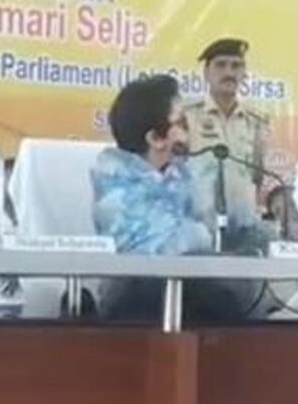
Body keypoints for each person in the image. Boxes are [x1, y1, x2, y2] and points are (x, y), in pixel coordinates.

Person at [91, 74, 257, 321]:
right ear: (155, 139)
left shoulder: (180, 172)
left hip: (189, 287)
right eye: (181, 122)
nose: (190, 130)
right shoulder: (116, 188)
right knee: (223, 293)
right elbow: (164, 250)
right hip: (135, 299)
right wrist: (203, 231)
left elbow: (213, 226)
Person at [184, 38, 270, 237]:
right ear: (206, 73)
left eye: (236, 66)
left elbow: (257, 177)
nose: (229, 73)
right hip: (199, 230)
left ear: (244, 74)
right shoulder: (187, 115)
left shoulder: (255, 121)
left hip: (243, 229)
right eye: (221, 65)